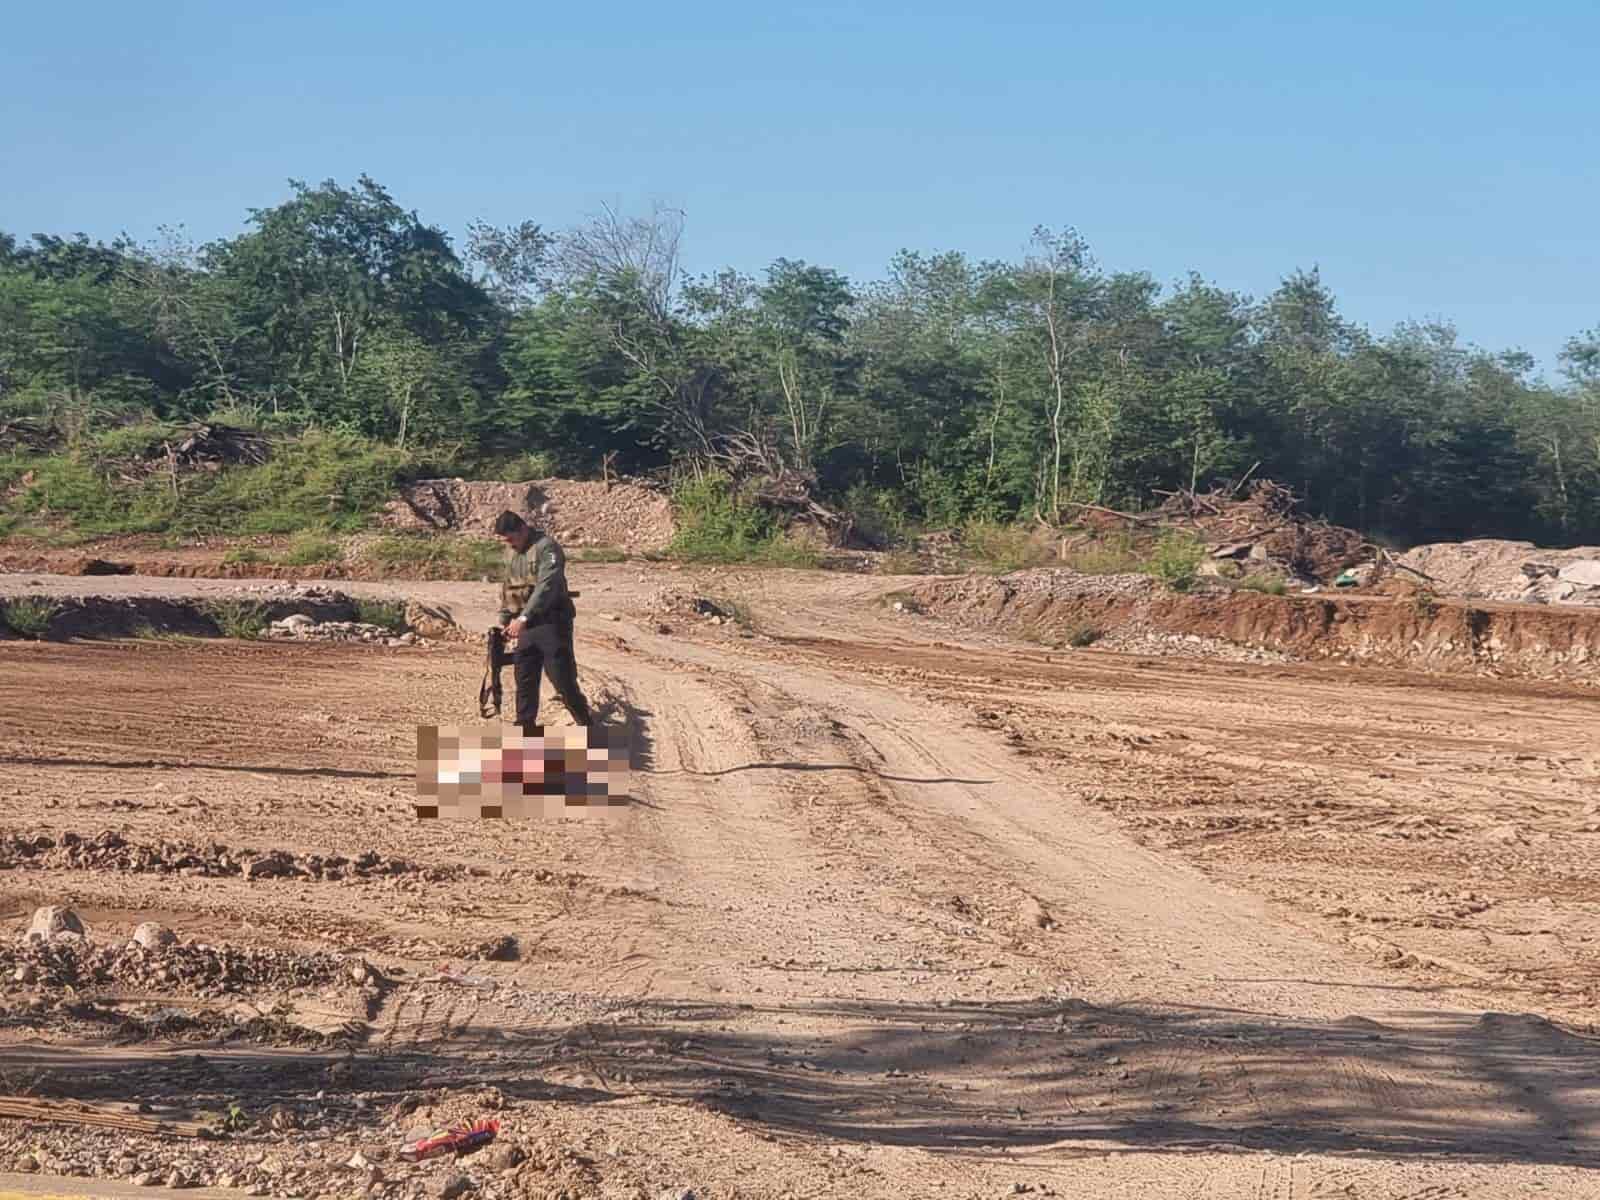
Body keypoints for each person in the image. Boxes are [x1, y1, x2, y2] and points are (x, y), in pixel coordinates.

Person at [492, 510, 593, 734]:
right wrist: (505, 620)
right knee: (524, 678)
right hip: (525, 625)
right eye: (505, 541)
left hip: (551, 622)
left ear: (523, 529)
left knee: (562, 680)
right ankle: (524, 729)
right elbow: (508, 587)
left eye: (511, 539)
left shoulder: (547, 547)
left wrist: (523, 618)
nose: (509, 545)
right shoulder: (512, 553)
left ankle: (585, 723)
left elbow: (546, 587)